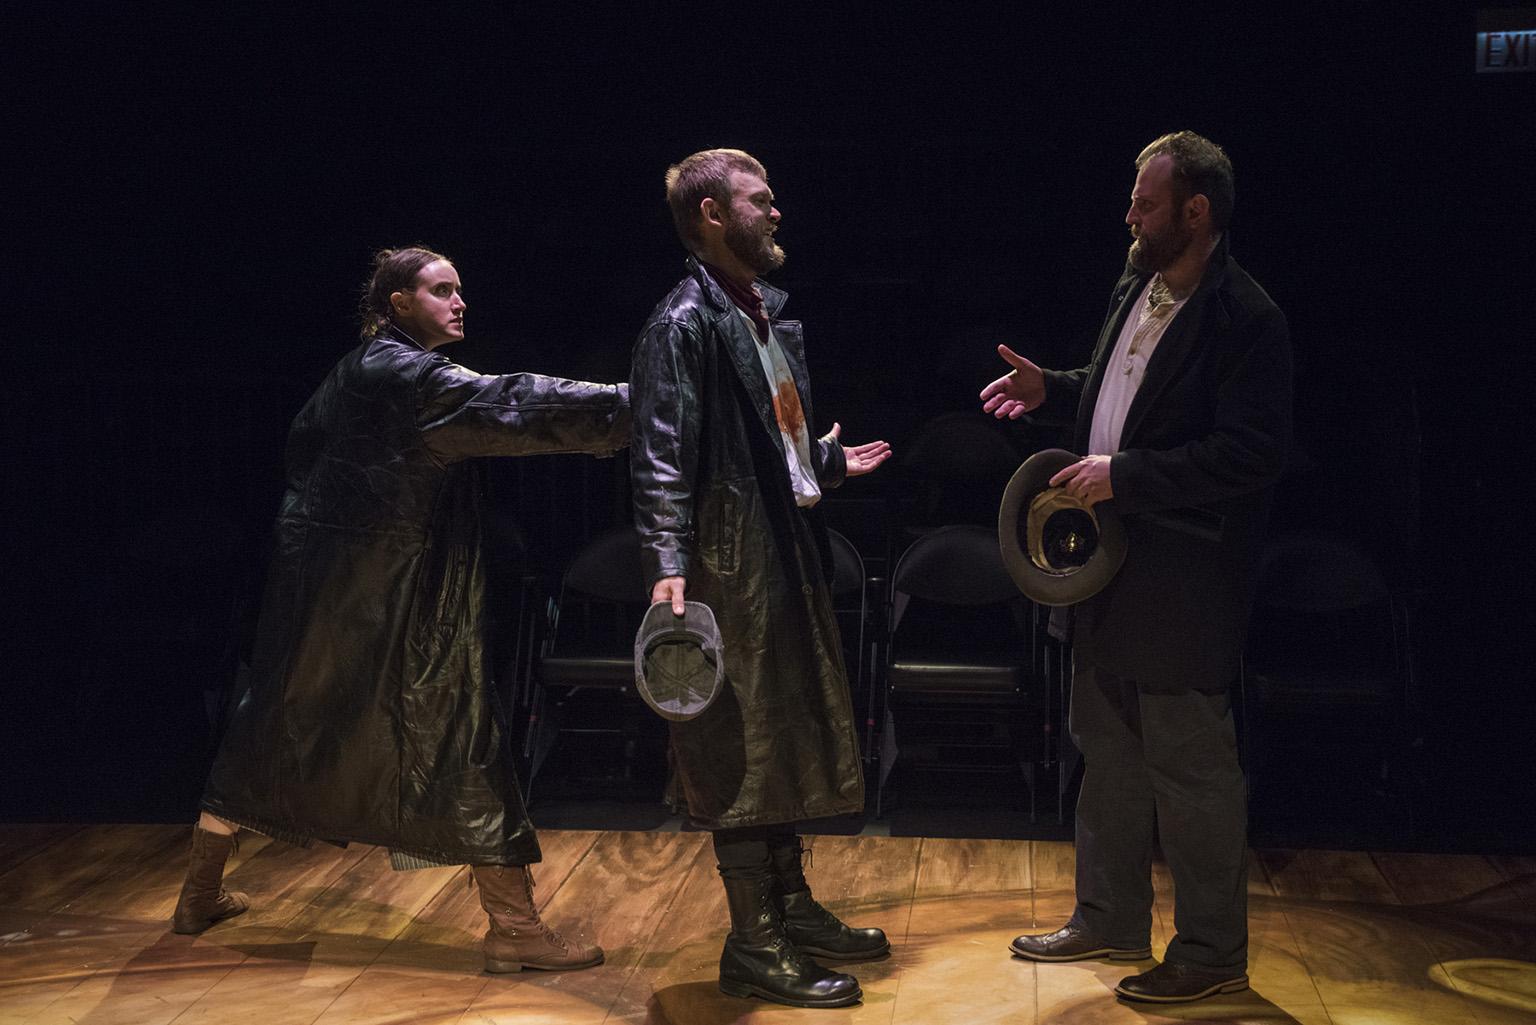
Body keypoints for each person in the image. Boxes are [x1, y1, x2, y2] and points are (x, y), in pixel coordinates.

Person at [174, 247, 630, 975]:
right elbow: (516, 403)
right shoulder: (410, 376)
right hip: (397, 595)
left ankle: (198, 894)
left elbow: (303, 456)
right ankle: (514, 928)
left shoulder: (355, 371)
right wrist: (640, 405)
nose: (460, 302)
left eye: (460, 290)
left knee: (270, 727)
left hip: (323, 588)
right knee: (458, 733)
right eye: (441, 290)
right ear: (396, 304)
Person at [981, 131, 1293, 1004]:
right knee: (1106, 747)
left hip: (1184, 581)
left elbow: (1251, 453)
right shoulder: (1139, 283)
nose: (1129, 214)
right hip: (1107, 570)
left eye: (1145, 202)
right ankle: (1109, 915)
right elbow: (1125, 396)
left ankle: (1209, 951)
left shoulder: (1247, 318)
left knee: (1191, 772)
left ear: (1196, 211)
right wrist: (1058, 387)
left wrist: (1126, 478)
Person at [630, 149, 893, 1009]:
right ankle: (753, 942)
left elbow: (769, 445)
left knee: (783, 733)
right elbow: (662, 450)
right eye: (761, 200)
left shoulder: (756, 314)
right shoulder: (683, 322)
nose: (776, 213)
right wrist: (668, 562)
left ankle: (790, 905)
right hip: (726, 563)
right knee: (740, 748)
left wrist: (825, 461)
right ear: (712, 214)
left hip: (777, 548)